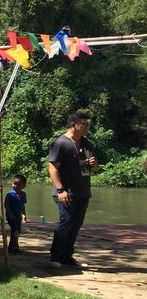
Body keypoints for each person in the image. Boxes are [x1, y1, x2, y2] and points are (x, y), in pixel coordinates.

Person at [47, 112, 98, 269]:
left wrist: (93, 164)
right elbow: (52, 168)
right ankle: (55, 256)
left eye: (88, 124)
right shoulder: (60, 143)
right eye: (84, 124)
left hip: (83, 191)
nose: (87, 127)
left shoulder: (86, 143)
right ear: (74, 124)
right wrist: (61, 190)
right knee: (66, 222)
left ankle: (67, 256)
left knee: (76, 224)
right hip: (65, 192)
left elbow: (93, 168)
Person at [4, 174, 27, 255]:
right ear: (11, 183)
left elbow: (23, 205)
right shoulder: (10, 194)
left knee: (17, 231)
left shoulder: (23, 194)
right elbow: (6, 205)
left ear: (23, 186)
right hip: (11, 215)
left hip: (18, 216)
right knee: (15, 230)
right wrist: (10, 214)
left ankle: (13, 246)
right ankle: (14, 247)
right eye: (14, 183)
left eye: (19, 184)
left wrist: (24, 215)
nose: (16, 186)